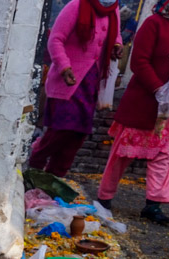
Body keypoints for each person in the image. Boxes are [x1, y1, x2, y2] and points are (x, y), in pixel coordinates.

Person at [96, 0, 169, 225]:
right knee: (122, 152)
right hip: (145, 102)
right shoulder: (153, 23)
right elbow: (139, 61)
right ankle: (104, 197)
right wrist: (157, 88)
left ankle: (154, 204)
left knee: (164, 156)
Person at [29, 0, 122, 177]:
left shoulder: (113, 9)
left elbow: (115, 34)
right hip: (68, 82)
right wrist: (64, 67)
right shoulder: (77, 6)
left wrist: (116, 45)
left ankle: (54, 181)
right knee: (59, 132)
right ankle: (33, 170)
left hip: (91, 83)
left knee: (76, 137)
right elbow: (55, 40)